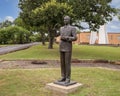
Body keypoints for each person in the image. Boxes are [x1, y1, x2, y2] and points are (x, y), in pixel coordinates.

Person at [58, 16, 77, 84]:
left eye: (66, 19)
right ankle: (63, 76)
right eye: (64, 19)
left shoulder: (72, 28)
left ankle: (68, 78)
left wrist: (67, 38)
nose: (65, 20)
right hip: (61, 46)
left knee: (67, 63)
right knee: (62, 63)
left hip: (68, 47)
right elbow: (60, 36)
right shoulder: (61, 28)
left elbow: (75, 38)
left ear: (69, 20)